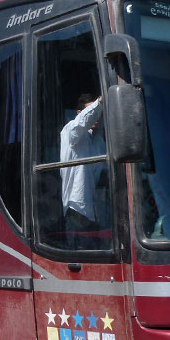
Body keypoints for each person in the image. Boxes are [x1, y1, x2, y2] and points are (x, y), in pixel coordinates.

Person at [60, 93, 106, 234]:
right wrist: (99, 102)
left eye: (99, 113)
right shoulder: (71, 131)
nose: (96, 117)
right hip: (77, 208)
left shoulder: (99, 140)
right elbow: (82, 122)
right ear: (79, 113)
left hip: (97, 210)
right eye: (92, 111)